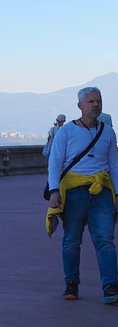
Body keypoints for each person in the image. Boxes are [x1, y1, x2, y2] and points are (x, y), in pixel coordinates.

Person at [46, 87, 118, 302]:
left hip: (102, 191)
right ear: (80, 106)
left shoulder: (108, 132)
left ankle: (111, 287)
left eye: (99, 101)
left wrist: (117, 193)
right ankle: (71, 284)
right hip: (74, 192)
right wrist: (54, 191)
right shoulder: (66, 132)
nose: (96, 105)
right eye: (91, 102)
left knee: (105, 240)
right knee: (71, 240)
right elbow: (55, 162)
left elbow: (114, 165)